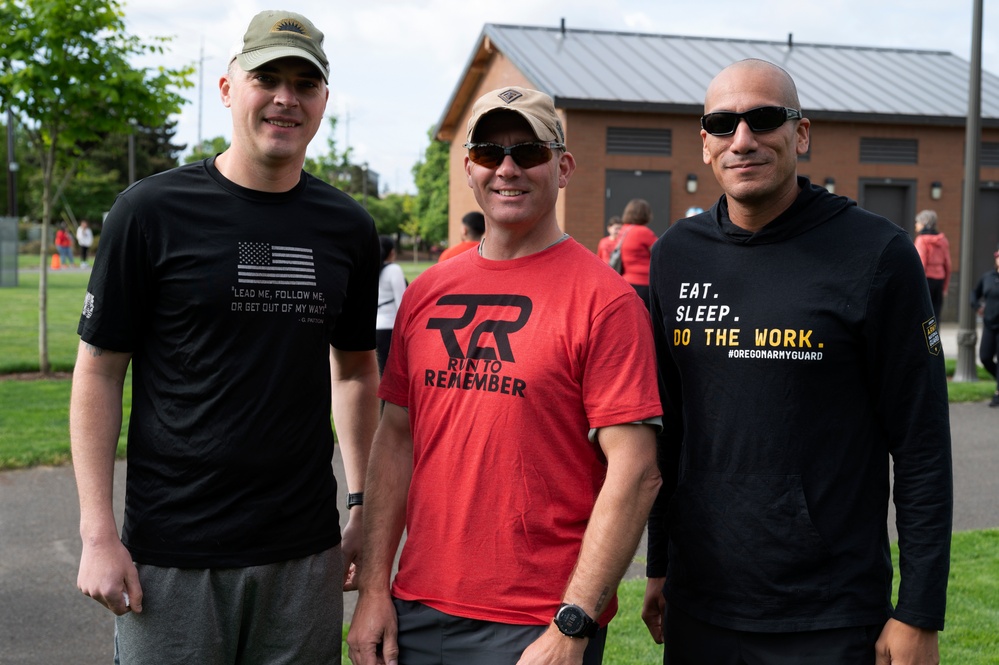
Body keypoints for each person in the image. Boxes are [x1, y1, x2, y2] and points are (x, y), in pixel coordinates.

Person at [69, 10, 381, 664]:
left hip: (305, 553)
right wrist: (98, 532)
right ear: (227, 87)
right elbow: (99, 369)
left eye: (305, 83)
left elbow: (354, 371)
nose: (285, 98)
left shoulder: (348, 227)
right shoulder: (149, 211)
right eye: (268, 77)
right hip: (172, 554)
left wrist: (361, 506)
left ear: (323, 100)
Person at [643, 59, 953, 665]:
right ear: (703, 142)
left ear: (800, 134)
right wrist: (659, 564)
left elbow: (921, 446)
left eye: (763, 119)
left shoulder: (877, 255)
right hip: (701, 605)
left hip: (831, 612)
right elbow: (667, 429)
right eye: (723, 123)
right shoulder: (675, 257)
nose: (743, 139)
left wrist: (919, 610)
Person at [347, 86, 662, 665]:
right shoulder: (428, 292)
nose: (508, 168)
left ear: (563, 168)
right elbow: (395, 439)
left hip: (535, 624)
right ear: (469, 168)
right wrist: (373, 590)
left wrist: (573, 625)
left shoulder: (607, 302)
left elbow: (636, 470)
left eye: (529, 152)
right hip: (416, 609)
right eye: (490, 153)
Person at [971, 248, 999, 407]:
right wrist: (976, 305)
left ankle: (997, 394)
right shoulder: (987, 277)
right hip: (989, 323)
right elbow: (975, 292)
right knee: (985, 357)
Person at [376, 235, 408, 374]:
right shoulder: (393, 269)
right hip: (389, 326)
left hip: (374, 327)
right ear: (392, 252)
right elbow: (402, 302)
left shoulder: (368, 268)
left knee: (378, 371)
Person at [618, 198, 658, 308]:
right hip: (644, 283)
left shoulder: (623, 231)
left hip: (626, 282)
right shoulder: (643, 232)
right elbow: (660, 253)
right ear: (646, 214)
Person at [914, 209, 952, 322]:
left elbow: (921, 263)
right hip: (939, 280)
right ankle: (935, 338)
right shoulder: (943, 240)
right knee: (936, 313)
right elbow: (948, 265)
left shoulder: (921, 240)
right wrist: (945, 287)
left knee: (923, 314)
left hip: (925, 280)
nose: (916, 224)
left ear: (924, 223)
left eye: (918, 222)